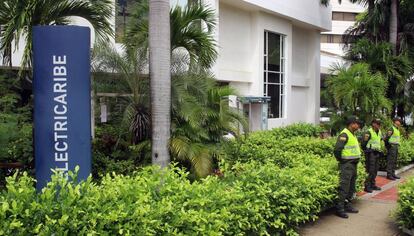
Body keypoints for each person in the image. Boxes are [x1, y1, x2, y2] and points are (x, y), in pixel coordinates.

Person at [334, 116, 361, 219]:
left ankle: (348, 205)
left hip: (353, 164)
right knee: (344, 187)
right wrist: (342, 161)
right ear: (351, 124)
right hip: (347, 164)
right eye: (357, 124)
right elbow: (337, 150)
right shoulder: (344, 134)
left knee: (351, 187)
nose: (358, 126)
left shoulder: (352, 134)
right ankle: (340, 209)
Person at [361, 119, 383, 193]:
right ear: (373, 124)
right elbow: (363, 144)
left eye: (379, 124)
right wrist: (368, 151)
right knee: (370, 170)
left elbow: (379, 141)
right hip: (370, 154)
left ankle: (373, 185)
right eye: (378, 124)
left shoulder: (379, 132)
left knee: (375, 170)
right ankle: (367, 186)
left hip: (377, 153)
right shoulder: (368, 132)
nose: (379, 125)